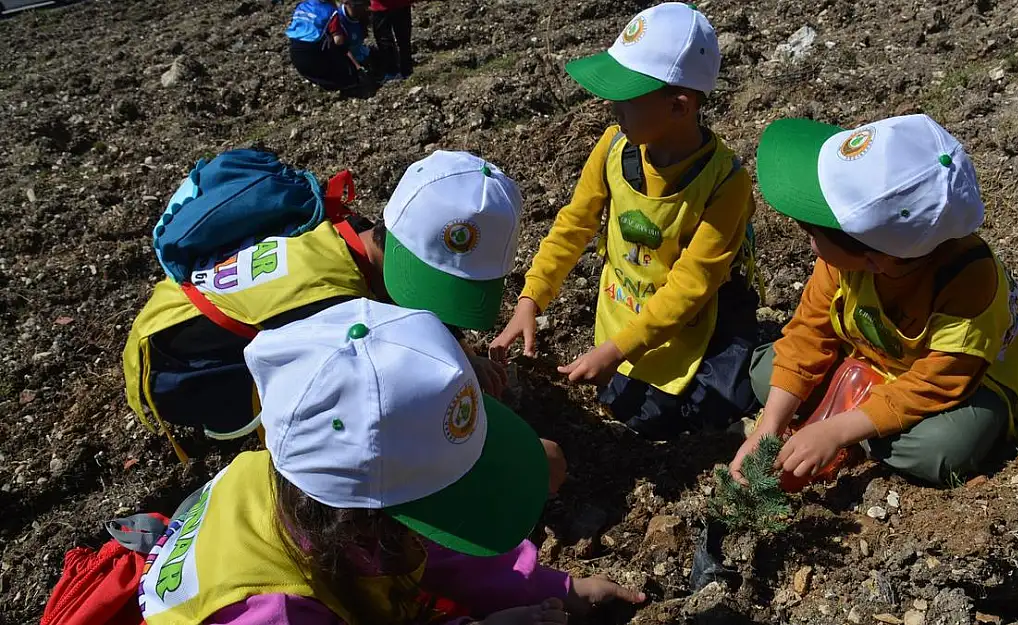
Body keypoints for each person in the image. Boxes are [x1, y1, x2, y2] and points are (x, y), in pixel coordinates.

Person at [138, 299, 644, 625]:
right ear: (368, 517)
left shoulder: (302, 485)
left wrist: (558, 587)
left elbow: (432, 544)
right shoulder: (274, 613)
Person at [125, 151, 566, 493]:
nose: (442, 312)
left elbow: (406, 303)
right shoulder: (330, 311)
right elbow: (391, 419)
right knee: (335, 435)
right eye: (435, 288)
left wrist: (463, 353)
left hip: (181, 311)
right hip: (180, 365)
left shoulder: (353, 231)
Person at [491, 3, 761, 441]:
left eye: (627, 95)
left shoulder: (725, 183)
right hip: (623, 311)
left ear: (679, 105)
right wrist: (530, 300)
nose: (611, 104)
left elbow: (691, 285)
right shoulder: (615, 146)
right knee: (627, 409)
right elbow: (573, 226)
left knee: (695, 417)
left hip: (689, 321)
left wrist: (617, 351)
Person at [730, 113, 1018, 486]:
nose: (809, 241)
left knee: (943, 448)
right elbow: (809, 333)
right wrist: (772, 424)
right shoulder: (846, 258)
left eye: (812, 231)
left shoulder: (969, 282)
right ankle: (862, 411)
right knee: (768, 372)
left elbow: (937, 383)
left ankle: (856, 416)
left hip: (959, 387)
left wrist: (837, 432)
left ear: (875, 259)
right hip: (873, 356)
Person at [285, 0, 367, 92]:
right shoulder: (331, 12)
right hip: (312, 54)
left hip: (295, 53)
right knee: (349, 79)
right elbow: (338, 41)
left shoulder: (302, 5)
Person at [370, 0, 415, 80]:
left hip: (384, 5)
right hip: (395, 4)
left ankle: (395, 72)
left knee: (386, 38)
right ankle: (403, 70)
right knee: (401, 38)